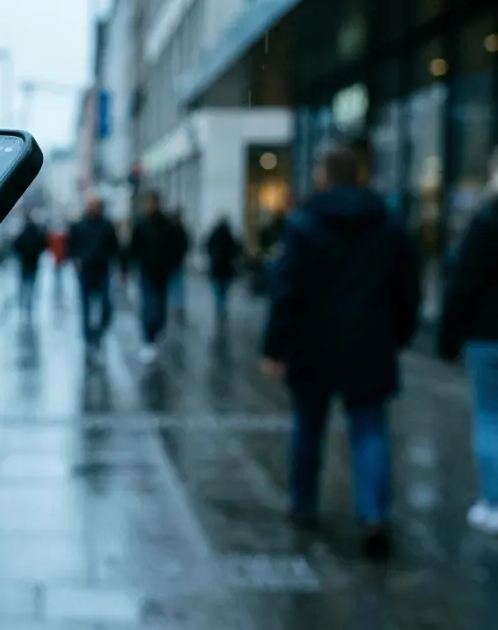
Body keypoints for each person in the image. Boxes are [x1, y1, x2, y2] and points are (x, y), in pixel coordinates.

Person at [262, 143, 420, 559]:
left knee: (309, 426)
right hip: (369, 342)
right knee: (370, 430)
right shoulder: (387, 223)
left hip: (313, 344)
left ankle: (303, 504)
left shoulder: (304, 224)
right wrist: (400, 334)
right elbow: (408, 288)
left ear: (323, 176)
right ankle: (374, 515)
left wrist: (275, 345)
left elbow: (287, 290)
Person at [437, 147, 498, 534]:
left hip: (488, 337)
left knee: (490, 418)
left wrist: (448, 336)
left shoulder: (486, 222)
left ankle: (493, 502)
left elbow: (464, 286)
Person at [124, 191, 183, 363]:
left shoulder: (166, 225)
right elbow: (133, 248)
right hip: (146, 272)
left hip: (162, 273)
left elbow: (176, 246)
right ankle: (148, 337)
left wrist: (172, 266)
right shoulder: (141, 224)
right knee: (149, 306)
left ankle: (155, 331)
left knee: (159, 305)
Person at [68, 195, 122, 350]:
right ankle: (87, 334)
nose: (93, 208)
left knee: (105, 304)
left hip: (102, 270)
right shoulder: (79, 225)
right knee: (85, 305)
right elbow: (72, 246)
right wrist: (76, 260)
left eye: (96, 206)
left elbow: (114, 246)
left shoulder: (106, 225)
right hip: (85, 271)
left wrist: (112, 259)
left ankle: (99, 331)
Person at [204, 215, 242, 320]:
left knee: (218, 289)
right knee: (224, 289)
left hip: (216, 267)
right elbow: (235, 250)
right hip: (225, 267)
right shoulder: (229, 235)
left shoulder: (214, 235)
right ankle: (222, 307)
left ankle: (219, 306)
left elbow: (207, 246)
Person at [12, 212, 49, 315]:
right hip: (34, 264)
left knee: (24, 284)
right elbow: (44, 245)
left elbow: (15, 245)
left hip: (24, 264)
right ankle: (29, 304)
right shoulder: (37, 233)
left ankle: (23, 303)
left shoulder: (23, 233)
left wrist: (22, 254)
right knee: (31, 284)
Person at [168, 209, 191, 318]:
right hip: (176, 261)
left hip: (174, 261)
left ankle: (175, 305)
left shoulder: (174, 230)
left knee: (175, 284)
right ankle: (177, 306)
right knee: (177, 284)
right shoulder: (179, 230)